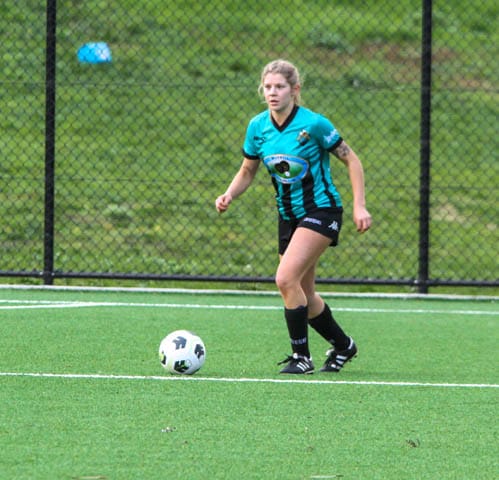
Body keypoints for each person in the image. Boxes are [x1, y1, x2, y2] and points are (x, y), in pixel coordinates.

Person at [215, 59, 372, 374]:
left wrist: (360, 205)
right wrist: (230, 193)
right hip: (288, 216)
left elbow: (352, 160)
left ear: (295, 90)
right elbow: (247, 170)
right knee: (303, 293)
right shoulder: (258, 127)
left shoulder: (314, 124)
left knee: (285, 278)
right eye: (268, 87)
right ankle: (344, 346)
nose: (272, 93)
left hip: (321, 210)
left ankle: (302, 357)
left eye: (280, 87)